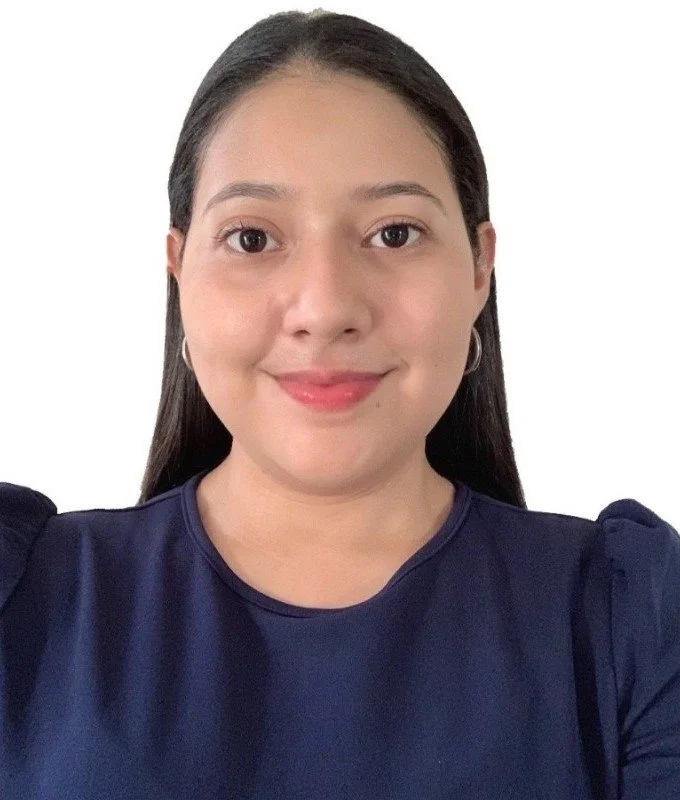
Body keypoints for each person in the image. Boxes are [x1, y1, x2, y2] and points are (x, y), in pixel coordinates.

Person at [1, 9, 678, 799]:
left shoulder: (630, 624)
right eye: (253, 238)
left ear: (480, 268)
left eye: (394, 233)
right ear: (179, 272)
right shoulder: (26, 599)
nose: (324, 307)